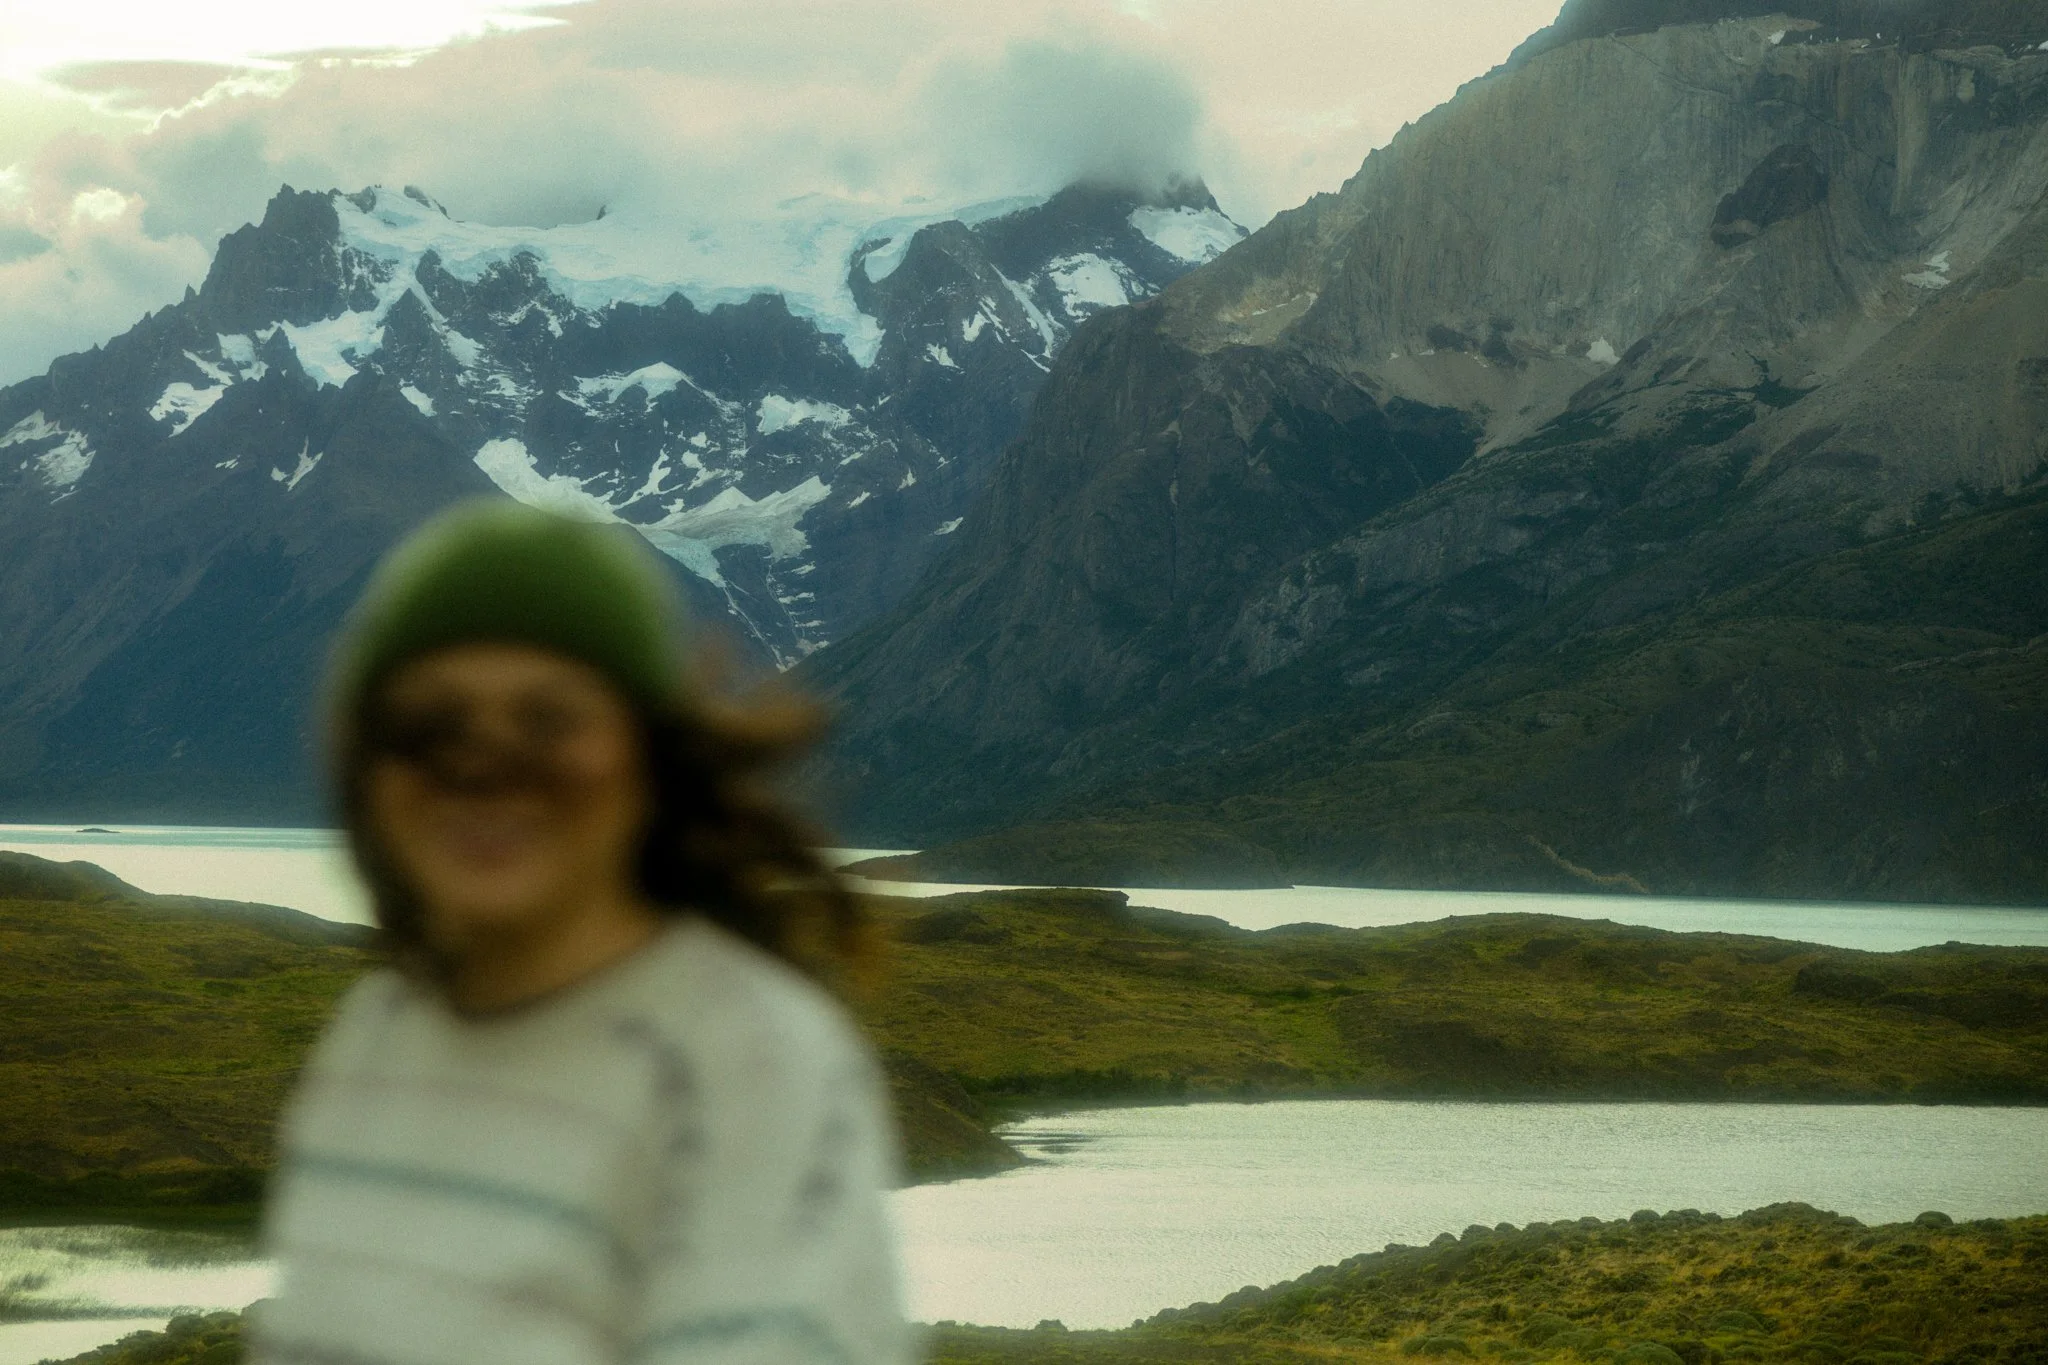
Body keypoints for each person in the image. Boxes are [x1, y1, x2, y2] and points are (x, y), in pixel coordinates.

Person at [251, 501, 911, 1365]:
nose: (485, 763)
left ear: (648, 757)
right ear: (365, 763)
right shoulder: (377, 1030)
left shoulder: (749, 1058)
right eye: (430, 725)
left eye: (550, 721)